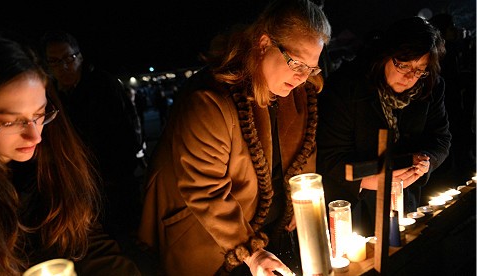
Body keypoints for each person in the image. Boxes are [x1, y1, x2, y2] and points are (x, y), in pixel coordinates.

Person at [137, 0, 331, 275]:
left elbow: (303, 155)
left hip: (267, 238)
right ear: (264, 43)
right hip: (209, 241)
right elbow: (205, 190)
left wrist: (298, 208)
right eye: (296, 62)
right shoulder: (211, 100)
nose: (302, 77)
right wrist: (250, 252)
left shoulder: (298, 96)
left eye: (311, 68)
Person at [0, 32, 140, 275]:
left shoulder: (55, 159)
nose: (36, 136)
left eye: (39, 114)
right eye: (10, 122)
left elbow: (86, 236)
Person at [316, 16, 451, 237]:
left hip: (403, 193)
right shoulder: (347, 87)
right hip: (352, 200)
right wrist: (368, 181)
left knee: (402, 251)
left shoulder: (430, 87)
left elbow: (441, 137)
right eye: (403, 64)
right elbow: (329, 156)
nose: (410, 77)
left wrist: (426, 161)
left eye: (420, 69)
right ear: (384, 55)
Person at [39, 30, 145, 252]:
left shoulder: (102, 85)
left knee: (124, 237)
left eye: (69, 58)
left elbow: (126, 129)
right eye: (55, 61)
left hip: (112, 180)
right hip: (74, 183)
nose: (64, 66)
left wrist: (121, 170)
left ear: (80, 57)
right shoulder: (49, 96)